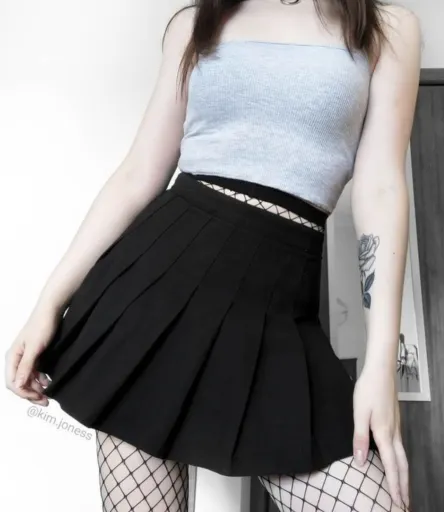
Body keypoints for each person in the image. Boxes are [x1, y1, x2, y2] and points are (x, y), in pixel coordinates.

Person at [4, 0, 421, 511]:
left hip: (279, 304)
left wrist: (380, 364)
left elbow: (381, 190)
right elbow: (138, 174)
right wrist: (48, 303)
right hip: (154, 296)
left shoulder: (387, 29)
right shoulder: (195, 23)